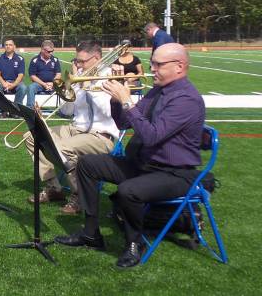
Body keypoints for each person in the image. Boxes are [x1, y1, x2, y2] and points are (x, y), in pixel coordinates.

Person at [54, 43, 205, 268]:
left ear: (179, 66)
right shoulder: (157, 91)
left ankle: (135, 243)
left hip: (174, 173)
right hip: (144, 164)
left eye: (158, 64)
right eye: (152, 63)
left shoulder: (186, 99)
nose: (152, 68)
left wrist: (126, 100)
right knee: (87, 164)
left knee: (128, 191)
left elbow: (152, 136)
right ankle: (90, 233)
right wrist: (116, 102)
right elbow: (125, 122)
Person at [23, 41, 120, 215]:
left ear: (97, 58)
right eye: (77, 61)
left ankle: (80, 195)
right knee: (32, 135)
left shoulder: (109, 76)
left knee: (62, 148)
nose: (78, 65)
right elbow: (67, 111)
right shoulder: (80, 75)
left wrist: (89, 86)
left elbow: (109, 112)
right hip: (76, 128)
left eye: (82, 61)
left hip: (100, 135)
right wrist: (67, 91)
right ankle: (54, 187)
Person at [0, 39, 27, 115]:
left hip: (16, 82)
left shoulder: (20, 59)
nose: (8, 46)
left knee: (23, 88)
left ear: (14, 47)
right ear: (4, 47)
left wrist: (13, 84)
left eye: (10, 45)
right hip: (2, 81)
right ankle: (2, 110)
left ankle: (15, 110)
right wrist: (4, 83)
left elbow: (20, 75)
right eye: (6, 45)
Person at [26, 40, 61, 108]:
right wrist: (44, 84)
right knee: (31, 88)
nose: (51, 53)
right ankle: (30, 109)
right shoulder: (35, 60)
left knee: (64, 87)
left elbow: (58, 74)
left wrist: (53, 83)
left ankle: (63, 110)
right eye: (48, 51)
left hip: (53, 84)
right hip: (39, 84)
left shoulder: (55, 60)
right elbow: (32, 76)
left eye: (52, 51)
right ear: (42, 50)